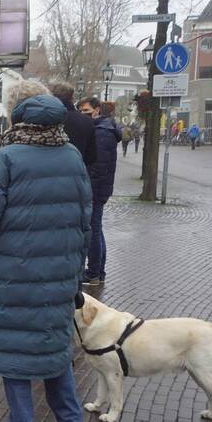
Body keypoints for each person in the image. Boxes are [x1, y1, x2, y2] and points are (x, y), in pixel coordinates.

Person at [0, 80, 91, 422]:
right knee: (54, 345)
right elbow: (86, 216)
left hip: (14, 271)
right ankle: (70, 421)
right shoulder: (71, 155)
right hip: (60, 271)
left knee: (14, 347)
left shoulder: (6, 157)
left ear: (16, 112)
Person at [81, 98, 121, 286]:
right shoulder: (102, 129)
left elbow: (98, 166)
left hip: (95, 189)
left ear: (97, 110)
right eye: (81, 111)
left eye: (87, 111)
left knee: (94, 230)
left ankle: (93, 272)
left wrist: (88, 189)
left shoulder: (101, 132)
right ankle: (99, 271)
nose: (83, 115)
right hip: (99, 187)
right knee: (97, 229)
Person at [49, 82, 97, 170]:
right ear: (72, 97)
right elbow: (92, 156)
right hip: (76, 171)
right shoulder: (87, 121)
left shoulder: (47, 118)